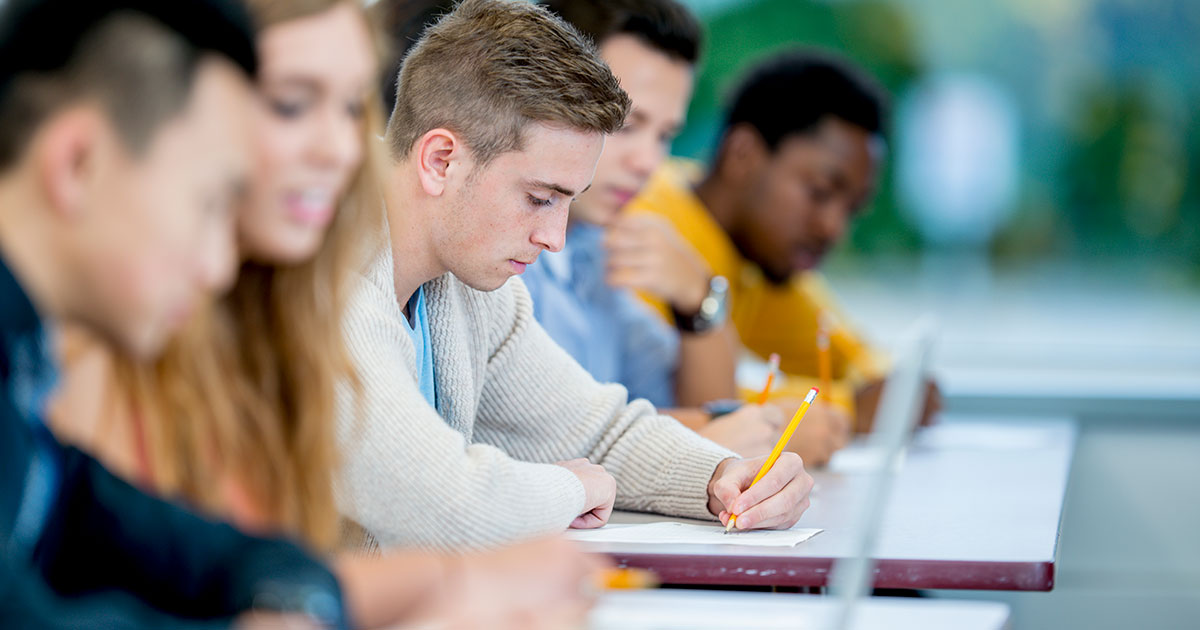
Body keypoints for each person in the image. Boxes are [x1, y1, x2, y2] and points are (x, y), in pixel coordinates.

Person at [47, 1, 606, 628]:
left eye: (351, 108)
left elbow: (255, 578)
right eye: (290, 104)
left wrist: (456, 584)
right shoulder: (96, 337)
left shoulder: (277, 310)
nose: (342, 149)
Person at [337, 0, 815, 551]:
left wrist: (723, 476)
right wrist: (571, 486)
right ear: (441, 160)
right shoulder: (332, 280)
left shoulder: (472, 287)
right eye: (540, 198)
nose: (555, 238)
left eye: (568, 203)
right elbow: (449, 503)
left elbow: (598, 431)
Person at [0, 0, 350, 627]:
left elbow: (238, 559)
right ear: (78, 164)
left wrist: (294, 606)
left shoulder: (25, 387)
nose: (218, 266)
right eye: (210, 202)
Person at [521, 0, 850, 463]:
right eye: (628, 125)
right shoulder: (501, 258)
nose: (648, 163)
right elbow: (531, 437)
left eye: (663, 136)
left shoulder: (595, 248)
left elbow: (679, 403)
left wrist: (700, 297)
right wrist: (723, 431)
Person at [627, 48, 941, 433]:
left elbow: (857, 360)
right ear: (743, 155)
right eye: (821, 192)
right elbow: (668, 405)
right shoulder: (644, 226)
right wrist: (851, 408)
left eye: (852, 208)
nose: (834, 228)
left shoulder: (759, 257)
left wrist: (891, 392)